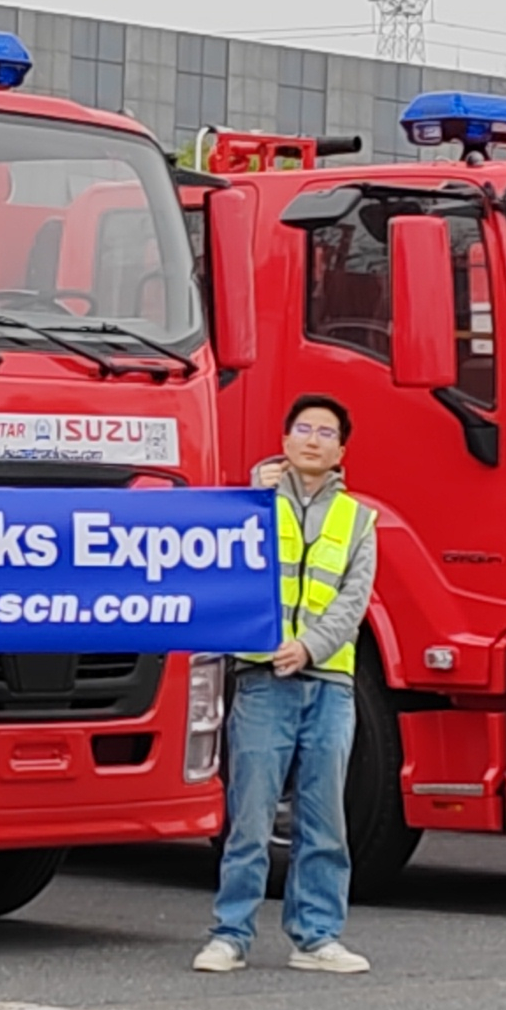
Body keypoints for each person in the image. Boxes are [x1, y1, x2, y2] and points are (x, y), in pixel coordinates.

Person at [198, 392, 379, 975]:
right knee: (249, 817)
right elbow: (221, 563)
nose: (312, 439)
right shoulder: (251, 507)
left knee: (324, 820)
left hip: (328, 684)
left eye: (326, 433)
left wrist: (309, 648)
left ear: (341, 450)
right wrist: (256, 490)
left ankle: (317, 936)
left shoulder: (359, 520)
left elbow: (354, 600)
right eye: (302, 428)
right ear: (283, 440)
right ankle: (230, 934)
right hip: (261, 680)